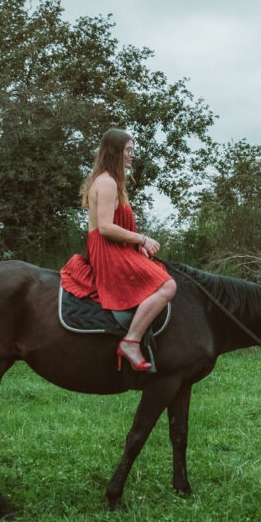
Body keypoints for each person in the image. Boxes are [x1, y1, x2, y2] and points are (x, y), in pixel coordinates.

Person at [61, 128, 176, 372]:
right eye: (129, 150)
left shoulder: (111, 181)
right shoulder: (107, 182)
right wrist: (142, 239)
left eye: (133, 150)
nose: (133, 155)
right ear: (115, 151)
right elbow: (104, 227)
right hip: (107, 251)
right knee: (168, 286)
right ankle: (131, 342)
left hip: (115, 248)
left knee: (159, 274)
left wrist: (136, 246)